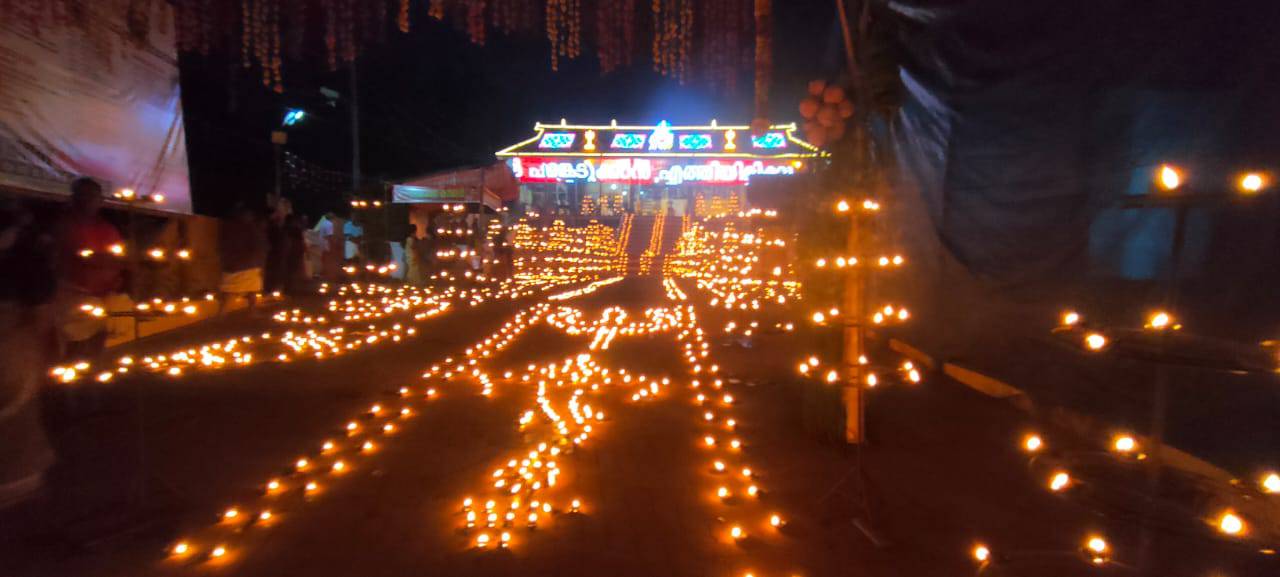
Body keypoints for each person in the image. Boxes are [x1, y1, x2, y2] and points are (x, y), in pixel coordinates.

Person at [0, 200, 57, 509]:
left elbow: (40, 312)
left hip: (13, 349)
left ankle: (17, 480)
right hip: (15, 347)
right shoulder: (23, 261)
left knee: (16, 412)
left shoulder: (22, 262)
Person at [53, 177, 124, 361]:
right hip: (73, 295)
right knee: (73, 343)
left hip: (105, 295)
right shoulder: (64, 226)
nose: (89, 202)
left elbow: (118, 258)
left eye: (94, 197)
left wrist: (115, 271)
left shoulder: (107, 229)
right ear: (74, 198)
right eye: (84, 196)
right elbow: (62, 258)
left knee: (100, 344)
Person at [218, 205, 267, 315]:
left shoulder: (228, 227)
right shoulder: (251, 229)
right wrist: (260, 262)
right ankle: (251, 310)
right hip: (248, 264)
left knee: (233, 290)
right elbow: (259, 246)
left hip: (234, 263)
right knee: (247, 290)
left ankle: (223, 311)